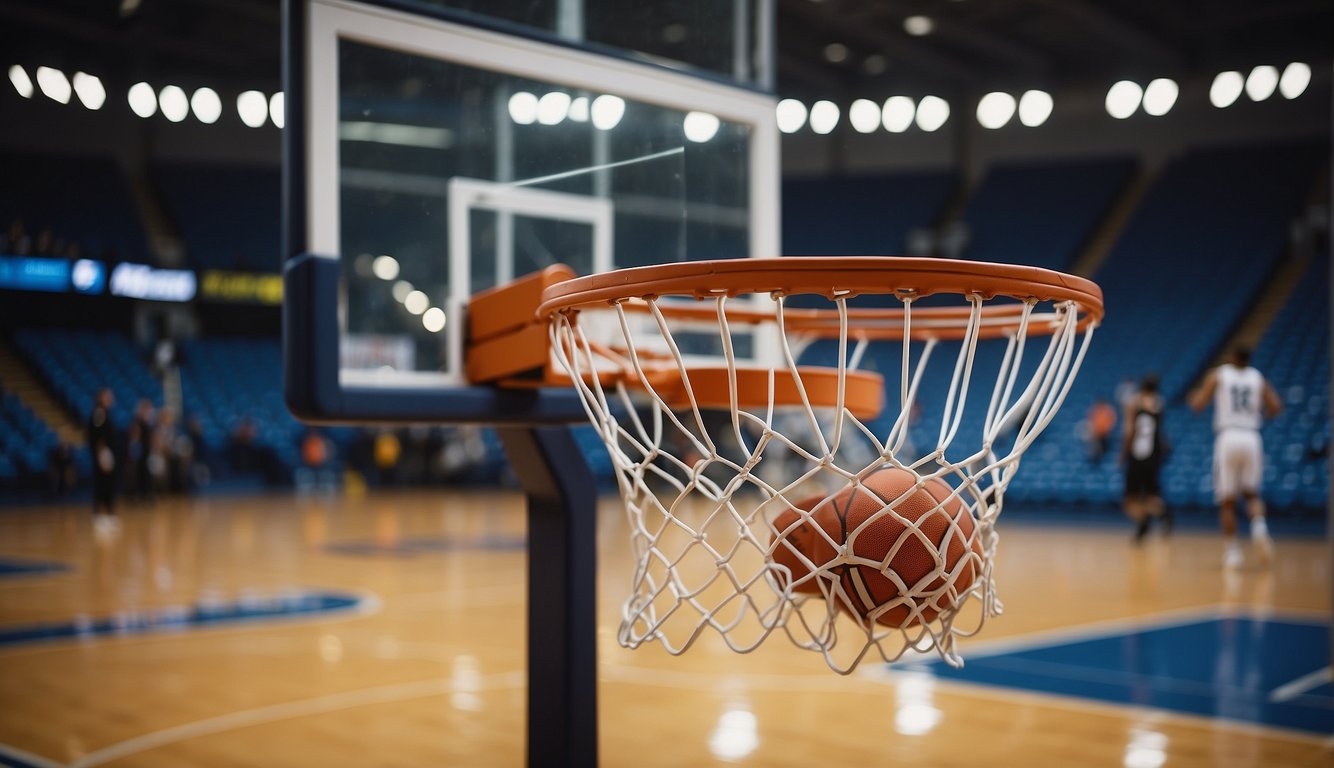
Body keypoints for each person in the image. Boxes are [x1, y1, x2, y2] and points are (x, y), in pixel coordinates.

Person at [1189, 346, 1283, 568]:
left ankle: (1233, 552)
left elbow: (1198, 405)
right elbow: (1276, 407)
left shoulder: (1219, 374)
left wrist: (1195, 397)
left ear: (1232, 357)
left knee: (1227, 501)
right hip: (1252, 436)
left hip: (1228, 435)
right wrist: (1259, 415)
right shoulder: (1257, 377)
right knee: (1252, 494)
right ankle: (1259, 528)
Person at [1121, 374, 1170, 542]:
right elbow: (1160, 433)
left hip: (1137, 454)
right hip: (1153, 455)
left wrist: (1122, 454)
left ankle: (1144, 522)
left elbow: (1129, 432)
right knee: (1151, 495)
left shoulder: (1134, 402)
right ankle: (1162, 515)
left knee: (1130, 500)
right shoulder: (1159, 403)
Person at [87, 388, 119, 534]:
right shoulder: (99, 413)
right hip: (103, 454)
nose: (110, 398)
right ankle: (99, 514)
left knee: (109, 483)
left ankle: (109, 512)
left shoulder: (106, 413)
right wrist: (102, 455)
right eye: (107, 396)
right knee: (102, 483)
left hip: (108, 453)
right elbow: (97, 436)